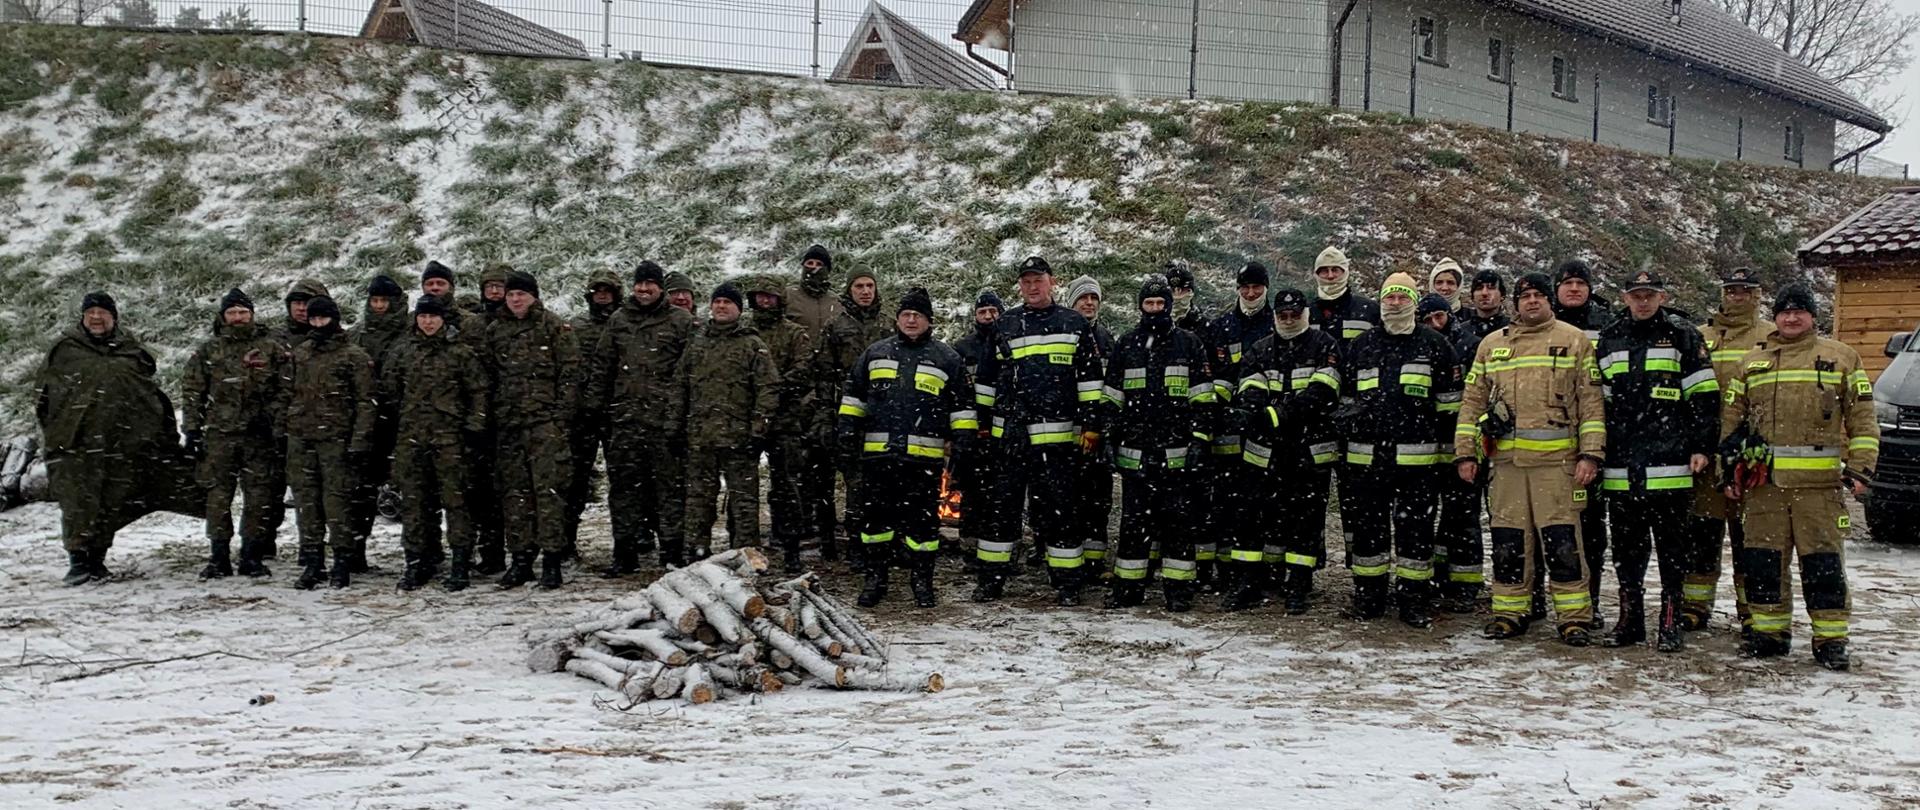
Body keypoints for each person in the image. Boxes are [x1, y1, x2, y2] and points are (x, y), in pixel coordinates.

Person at [1719, 284, 1878, 671]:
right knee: (1763, 563)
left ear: (1812, 316)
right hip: (1763, 488)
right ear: (1774, 316)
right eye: (1785, 311)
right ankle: (1769, 634)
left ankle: (1830, 639)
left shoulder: (1840, 357)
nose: (1792, 318)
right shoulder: (1751, 363)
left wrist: (1862, 467)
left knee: (1822, 564)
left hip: (1819, 489)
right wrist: (1728, 469)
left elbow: (1862, 418)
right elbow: (1731, 421)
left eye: (1799, 311)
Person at [1455, 272, 1604, 646]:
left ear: (1549, 299)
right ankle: (1509, 612)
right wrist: (1465, 454)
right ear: (1515, 302)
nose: (1532, 301)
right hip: (1506, 466)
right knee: (1508, 542)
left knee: (1563, 544)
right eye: (1525, 296)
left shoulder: (1574, 341)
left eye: (1539, 295)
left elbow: (1591, 403)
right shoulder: (1491, 345)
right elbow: (1472, 403)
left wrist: (1591, 454)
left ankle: (1573, 618)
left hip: (1558, 466)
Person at [1595, 270, 1718, 651]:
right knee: (1627, 553)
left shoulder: (1683, 335)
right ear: (1626, 297)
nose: (1643, 301)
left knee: (1672, 551)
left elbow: (1704, 397)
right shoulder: (1611, 337)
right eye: (1636, 295)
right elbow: (1598, 401)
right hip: (1621, 466)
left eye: (1650, 294)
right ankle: (1630, 621)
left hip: (1671, 465)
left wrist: (1702, 447)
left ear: (1662, 297)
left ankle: (1670, 622)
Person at [973, 256, 1104, 605]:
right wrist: (983, 429)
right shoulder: (1006, 324)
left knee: (1061, 513)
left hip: (1058, 443)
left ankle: (1067, 583)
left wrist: (1091, 425)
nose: (1032, 286)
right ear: (1020, 285)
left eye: (1038, 280)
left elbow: (1090, 383)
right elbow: (985, 382)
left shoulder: (1074, 324)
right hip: (1011, 441)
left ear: (1052, 282)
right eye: (1026, 281)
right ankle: (991, 579)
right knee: (1001, 512)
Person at [38, 292, 195, 586]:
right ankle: (78, 561)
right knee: (78, 502)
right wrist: (62, 432)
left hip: (121, 443)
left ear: (114, 317)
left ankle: (97, 559)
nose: (96, 318)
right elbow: (46, 398)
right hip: (77, 443)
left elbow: (146, 392)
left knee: (112, 500)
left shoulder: (130, 351)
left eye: (103, 313)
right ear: (82, 318)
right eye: (91, 313)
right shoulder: (65, 351)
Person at [837, 287, 974, 607]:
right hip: (879, 458)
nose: (911, 320)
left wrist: (964, 448)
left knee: (923, 526)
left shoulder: (947, 358)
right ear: (897, 319)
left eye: (918, 315)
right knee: (875, 525)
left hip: (922, 462)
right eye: (906, 314)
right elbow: (854, 397)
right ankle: (876, 577)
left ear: (929, 321)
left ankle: (922, 580)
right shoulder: (875, 353)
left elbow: (963, 410)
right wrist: (846, 433)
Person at [1339, 273, 1461, 627]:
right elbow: (1345, 403)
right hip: (1366, 463)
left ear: (1413, 302)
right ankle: (1369, 597)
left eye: (1402, 297)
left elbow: (1450, 411)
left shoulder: (1436, 347)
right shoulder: (1362, 346)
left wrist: (1449, 460)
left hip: (1418, 466)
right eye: (1389, 297)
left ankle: (1413, 602)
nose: (1395, 303)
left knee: (1416, 535)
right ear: (1381, 301)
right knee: (1368, 533)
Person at [1100, 277, 1213, 611]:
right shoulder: (1127, 345)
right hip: (1136, 456)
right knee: (1133, 526)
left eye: (1159, 304)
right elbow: (1111, 399)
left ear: (1168, 306)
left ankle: (1178, 591)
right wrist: (1108, 436)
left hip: (1177, 456)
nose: (1154, 310)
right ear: (1140, 307)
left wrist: (1199, 441)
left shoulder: (1189, 345)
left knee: (1178, 526)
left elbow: (1203, 399)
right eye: (1148, 305)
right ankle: (1128, 589)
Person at [1229, 288, 1342, 613]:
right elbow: (1249, 386)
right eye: (1283, 315)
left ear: (1305, 314)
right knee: (1251, 519)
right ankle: (1248, 582)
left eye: (1294, 314)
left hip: (1308, 452)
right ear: (1275, 315)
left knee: (1304, 521)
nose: (1289, 319)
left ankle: (1298, 586)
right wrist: (1258, 412)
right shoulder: (1261, 348)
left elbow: (1322, 392)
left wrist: (1281, 413)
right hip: (1264, 451)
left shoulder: (1325, 346)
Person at [591, 261, 697, 572]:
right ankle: (624, 554)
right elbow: (603, 366)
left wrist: (681, 415)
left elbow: (690, 371)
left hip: (665, 422)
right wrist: (597, 408)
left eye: (650, 284)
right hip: (625, 420)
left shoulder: (680, 321)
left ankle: (672, 552)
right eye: (639, 284)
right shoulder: (619, 320)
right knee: (623, 490)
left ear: (661, 288)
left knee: (670, 489)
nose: (644, 289)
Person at [1684, 267, 1771, 635]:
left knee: (1749, 539)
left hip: (1749, 457)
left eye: (1745, 290)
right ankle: (1694, 606)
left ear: (1757, 294)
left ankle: (1751, 609)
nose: (1738, 296)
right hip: (1707, 454)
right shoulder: (1700, 337)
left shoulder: (1771, 335)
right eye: (1732, 289)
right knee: (1701, 536)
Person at [180, 287, 289, 580]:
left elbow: (286, 388)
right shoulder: (209, 351)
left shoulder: (271, 349)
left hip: (259, 437)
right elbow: (192, 392)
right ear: (223, 317)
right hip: (219, 436)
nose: (238, 318)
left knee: (258, 498)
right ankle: (218, 556)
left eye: (243, 312)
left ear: (252, 315)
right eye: (233, 313)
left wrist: (274, 422)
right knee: (217, 497)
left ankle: (251, 555)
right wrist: (192, 429)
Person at [383, 297, 489, 591]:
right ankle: (417, 562)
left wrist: (473, 429)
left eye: (433, 317)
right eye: (423, 316)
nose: (427, 322)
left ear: (444, 319)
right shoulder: (404, 352)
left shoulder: (461, 353)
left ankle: (460, 562)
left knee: (457, 503)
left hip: (451, 441)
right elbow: (391, 392)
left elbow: (478, 392)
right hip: (412, 440)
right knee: (415, 503)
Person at [483, 270, 580, 589]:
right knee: (515, 496)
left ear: (534, 296)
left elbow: (570, 373)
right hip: (510, 426)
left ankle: (552, 561)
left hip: (544, 425)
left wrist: (560, 417)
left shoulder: (553, 326)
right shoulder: (496, 330)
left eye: (521, 294)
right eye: (511, 295)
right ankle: (521, 560)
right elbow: (489, 375)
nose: (515, 299)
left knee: (548, 493)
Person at [676, 282, 779, 558]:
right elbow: (680, 386)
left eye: (728, 303)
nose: (721, 307)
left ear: (739, 309)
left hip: (740, 438)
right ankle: (696, 551)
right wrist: (674, 426)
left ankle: (745, 553)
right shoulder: (697, 342)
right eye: (717, 302)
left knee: (744, 501)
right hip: (701, 437)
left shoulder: (752, 344)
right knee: (699, 499)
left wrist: (759, 429)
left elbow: (768, 389)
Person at [284, 295, 377, 590]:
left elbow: (366, 403)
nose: (317, 323)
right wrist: (285, 426)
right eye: (313, 319)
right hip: (302, 439)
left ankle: (341, 562)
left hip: (337, 441)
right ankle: (313, 562)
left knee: (337, 503)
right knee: (306, 503)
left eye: (323, 318)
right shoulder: (301, 354)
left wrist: (359, 440)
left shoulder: (354, 356)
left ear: (334, 319)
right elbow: (286, 394)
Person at [1198, 261, 1276, 589]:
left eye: (1256, 287)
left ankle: (1263, 571)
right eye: (1244, 287)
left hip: (1265, 426)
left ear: (1266, 288)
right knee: (1223, 499)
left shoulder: (1278, 322)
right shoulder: (1221, 326)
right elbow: (1213, 374)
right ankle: (1223, 567)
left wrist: (1257, 410)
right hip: (1227, 427)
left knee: (1262, 501)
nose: (1250, 293)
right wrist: (1221, 411)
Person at [1553, 259, 1615, 625]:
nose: (1574, 289)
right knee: (1548, 526)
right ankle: (1539, 598)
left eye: (1581, 282)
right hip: (1548, 443)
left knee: (1591, 527)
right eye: (1567, 283)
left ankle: (1588, 600)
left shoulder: (1607, 326)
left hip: (1593, 439)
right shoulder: (1540, 325)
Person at [744, 274, 819, 573]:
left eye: (770, 297)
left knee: (787, 485)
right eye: (759, 296)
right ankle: (746, 546)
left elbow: (803, 371)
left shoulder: (794, 333)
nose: (764, 301)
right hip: (748, 418)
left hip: (785, 419)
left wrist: (771, 389)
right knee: (744, 486)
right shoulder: (744, 333)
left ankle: (790, 546)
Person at [818, 268, 892, 562]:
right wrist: (827, 415)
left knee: (884, 483)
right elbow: (823, 375)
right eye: (859, 286)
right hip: (849, 415)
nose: (865, 291)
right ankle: (857, 545)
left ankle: (884, 542)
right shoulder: (835, 326)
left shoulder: (889, 325)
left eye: (870, 285)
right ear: (849, 290)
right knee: (856, 485)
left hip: (883, 416)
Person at [1420, 292, 1485, 612]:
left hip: (1462, 444)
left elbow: (1476, 397)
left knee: (1463, 515)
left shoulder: (1470, 345)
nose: (1434, 324)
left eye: (1439, 318)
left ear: (1450, 315)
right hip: (1428, 447)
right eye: (1428, 320)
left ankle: (1467, 582)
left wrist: (1469, 446)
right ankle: (1438, 575)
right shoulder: (1419, 345)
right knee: (1431, 516)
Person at [346, 273, 409, 573]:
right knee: (361, 490)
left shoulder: (412, 331)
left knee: (415, 489)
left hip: (404, 421)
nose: (380, 305)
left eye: (385, 300)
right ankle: (355, 549)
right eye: (375, 300)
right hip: (368, 422)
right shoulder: (357, 334)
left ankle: (420, 553)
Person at [564, 270, 623, 559]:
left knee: (623, 480)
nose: (602, 296)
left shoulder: (625, 324)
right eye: (597, 291)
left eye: (607, 291)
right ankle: (565, 542)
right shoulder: (577, 326)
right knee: (575, 481)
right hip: (582, 414)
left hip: (616, 412)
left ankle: (627, 544)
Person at [1066, 275, 1116, 575]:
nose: (1089, 303)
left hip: (1097, 432)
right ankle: (1061, 554)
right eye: (1083, 298)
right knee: (1063, 497)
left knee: (1098, 497)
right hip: (1065, 430)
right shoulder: (1062, 333)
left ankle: (1095, 557)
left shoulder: (1108, 341)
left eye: (1093, 298)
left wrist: (1103, 427)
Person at [950, 289, 1005, 561]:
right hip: (971, 431)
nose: (987, 316)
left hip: (1003, 431)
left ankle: (1001, 551)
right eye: (982, 312)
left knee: (1002, 495)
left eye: (992, 311)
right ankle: (970, 551)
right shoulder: (962, 349)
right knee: (971, 495)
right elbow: (956, 391)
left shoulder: (1010, 344)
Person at [1163, 260, 1211, 333]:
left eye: (1182, 290)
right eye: (1172, 290)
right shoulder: (1157, 322)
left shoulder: (1202, 324)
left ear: (1190, 293)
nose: (1177, 296)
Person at [1461, 270, 1511, 337]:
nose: (1484, 293)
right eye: (1479, 288)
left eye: (1491, 288)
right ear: (1472, 297)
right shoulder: (1462, 331)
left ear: (1502, 295)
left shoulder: (1513, 329)